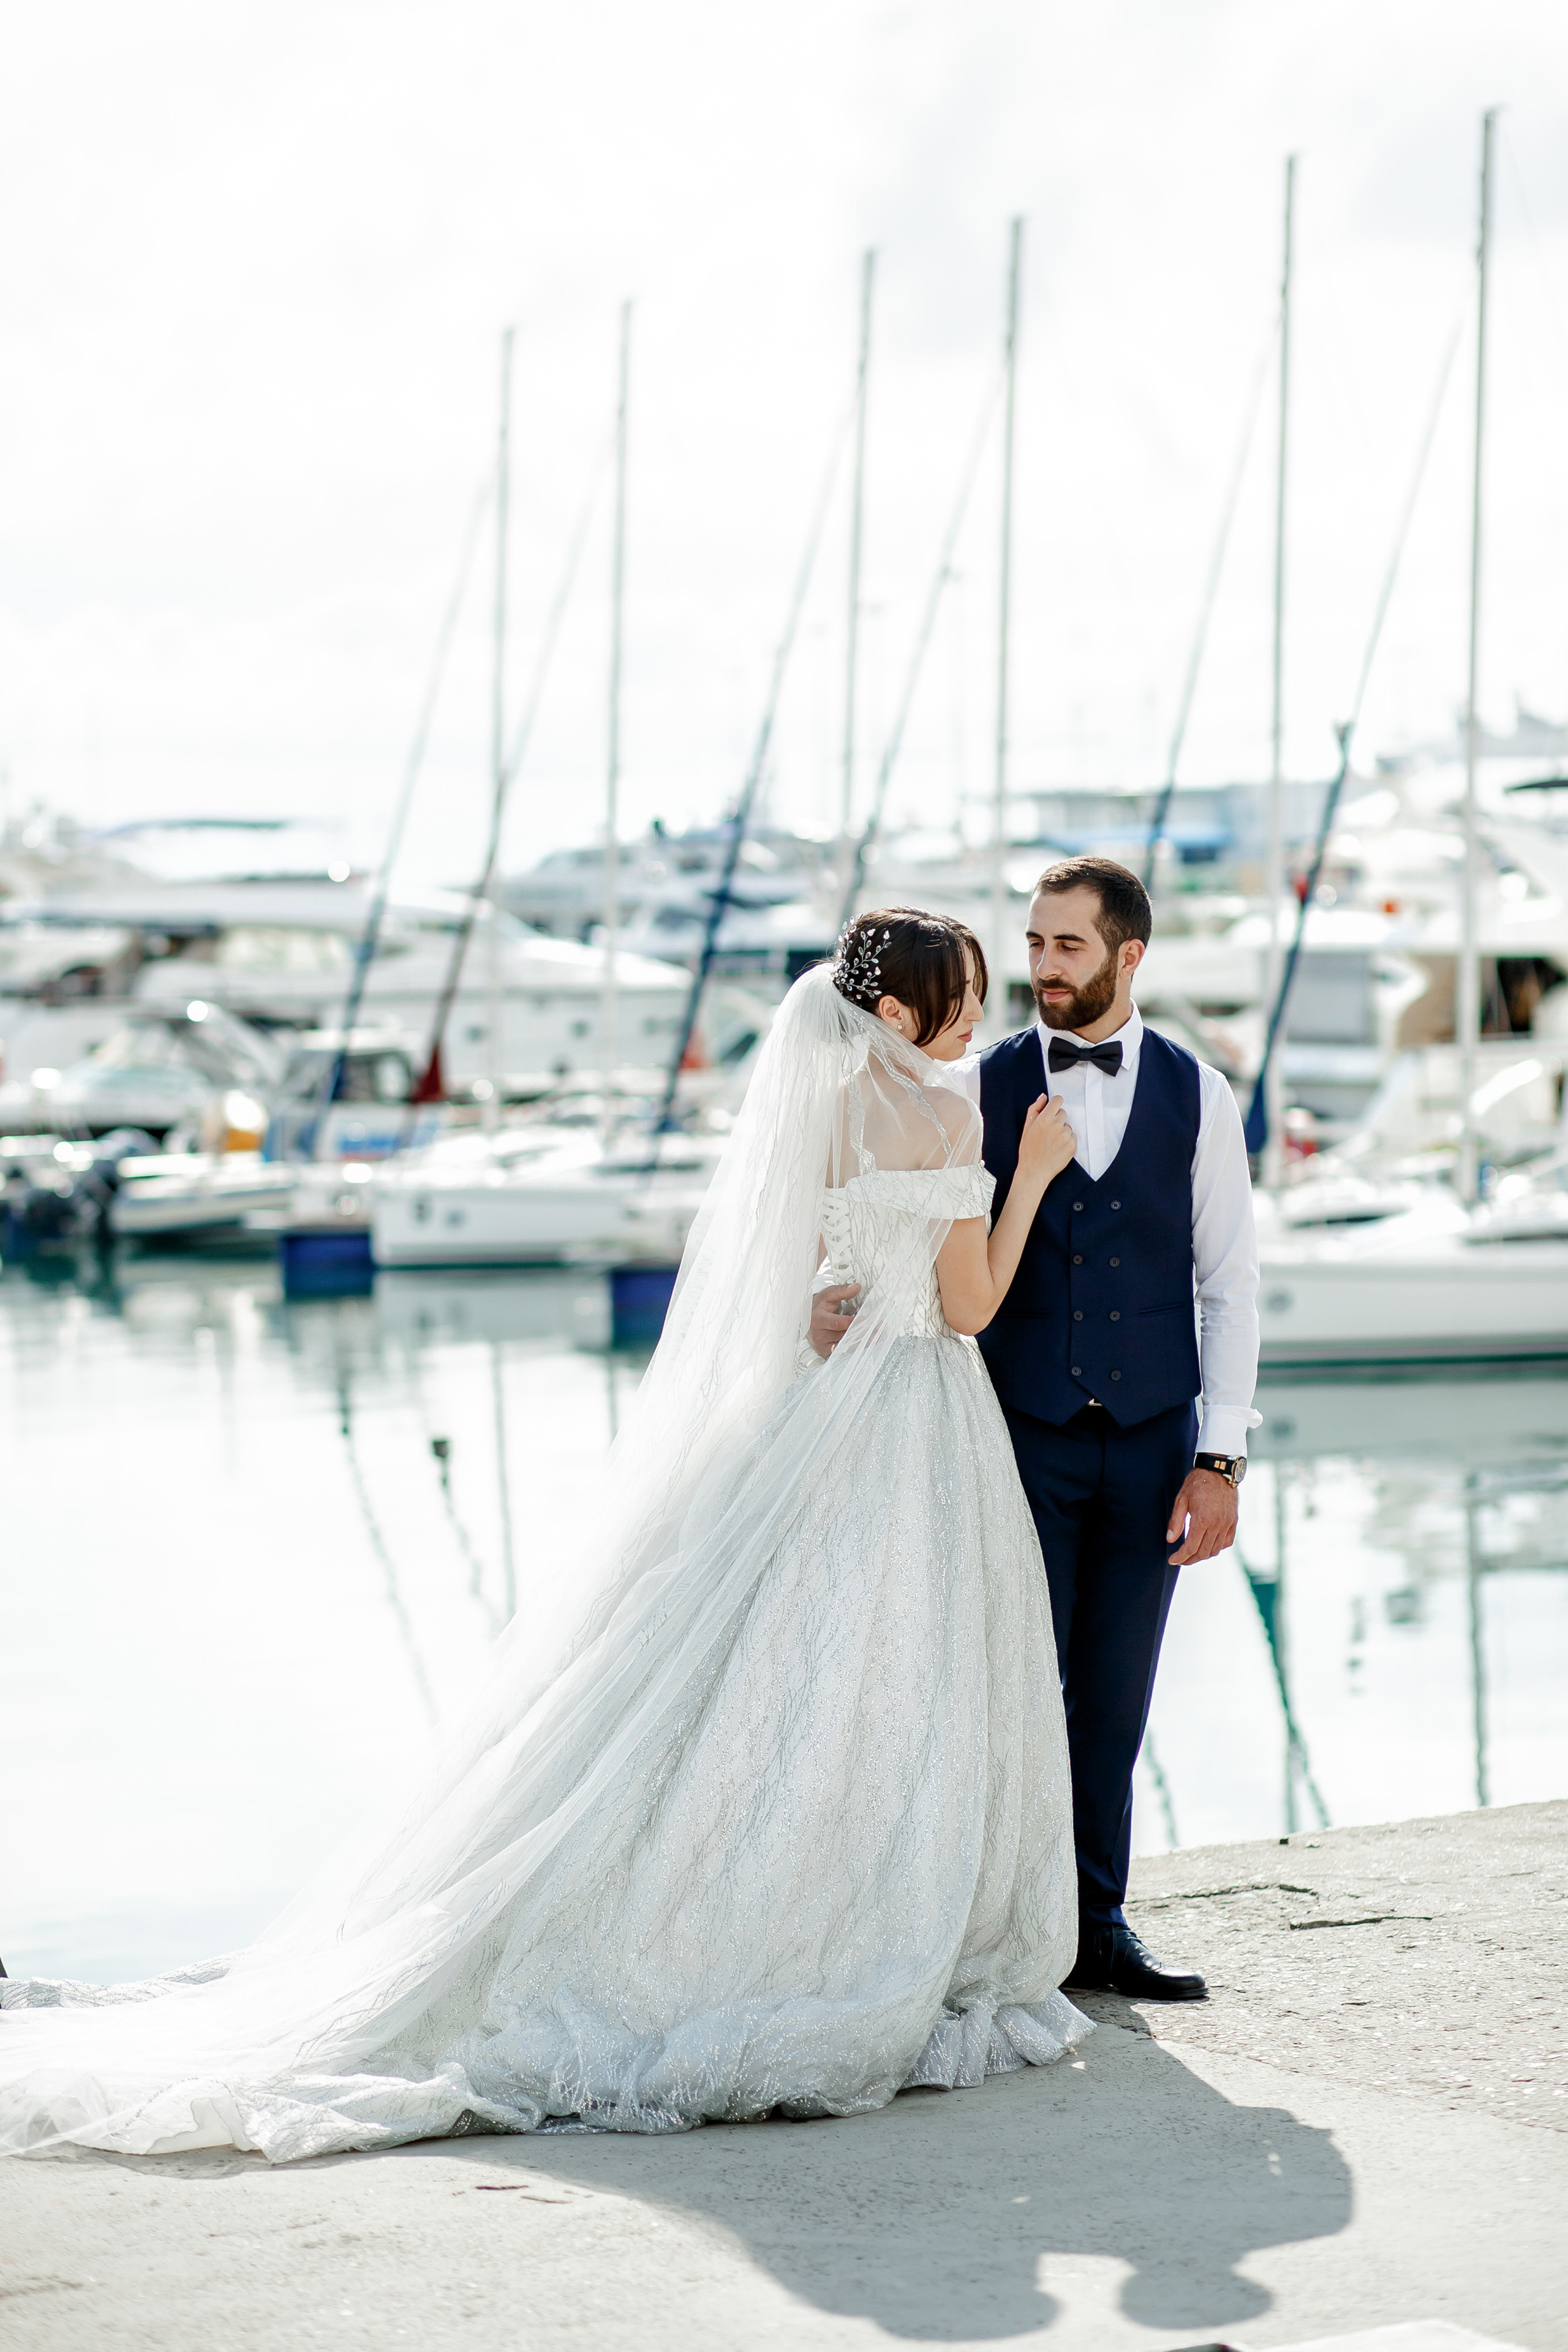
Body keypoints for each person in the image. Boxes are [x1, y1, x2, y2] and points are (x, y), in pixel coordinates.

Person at [1, 912, 1091, 2163]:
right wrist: (1035, 1176)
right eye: (958, 998)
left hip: (808, 1416)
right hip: (913, 1415)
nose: (977, 1016)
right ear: (897, 1015)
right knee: (890, 1672)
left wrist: (826, 1303)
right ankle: (875, 1912)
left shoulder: (819, 1112)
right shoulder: (951, 1122)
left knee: (748, 1667)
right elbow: (967, 1306)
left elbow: (784, 1288)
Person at [814, 859, 1261, 2002]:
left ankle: (1098, 1928)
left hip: (1159, 1438)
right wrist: (833, 1296)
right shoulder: (974, 1085)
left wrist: (1221, 1458)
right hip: (1018, 1433)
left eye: (1067, 946)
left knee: (1117, 1692)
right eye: (1034, 944)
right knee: (1014, 1693)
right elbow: (893, 1222)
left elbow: (1232, 1286)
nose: (1043, 969)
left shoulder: (1201, 1095)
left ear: (1128, 955)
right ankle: (1010, 1932)